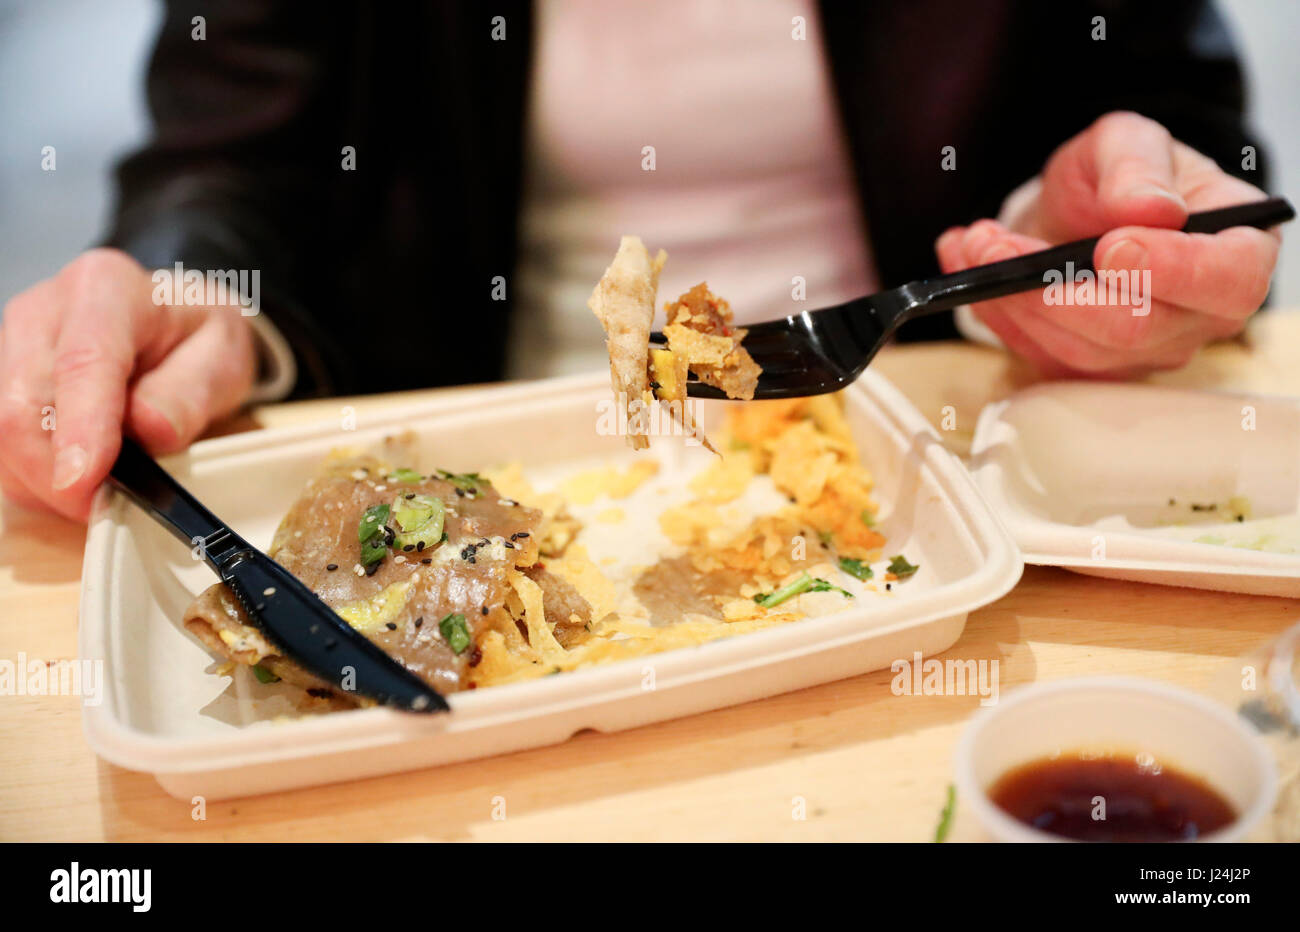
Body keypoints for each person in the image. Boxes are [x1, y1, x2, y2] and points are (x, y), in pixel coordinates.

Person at [0, 0, 1283, 521]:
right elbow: (230, 156)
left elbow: (1177, 123)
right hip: (496, 442)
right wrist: (198, 286)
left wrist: (1065, 242)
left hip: (947, 444)